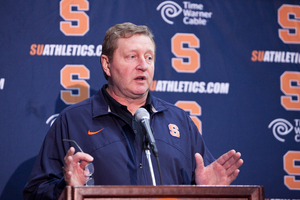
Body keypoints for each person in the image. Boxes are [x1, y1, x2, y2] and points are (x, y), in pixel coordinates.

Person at [23, 22, 243, 199]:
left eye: (149, 57)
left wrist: (208, 193)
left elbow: (201, 186)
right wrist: (68, 189)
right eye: (132, 57)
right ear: (107, 65)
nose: (143, 65)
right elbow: (35, 193)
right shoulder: (72, 121)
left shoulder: (180, 120)